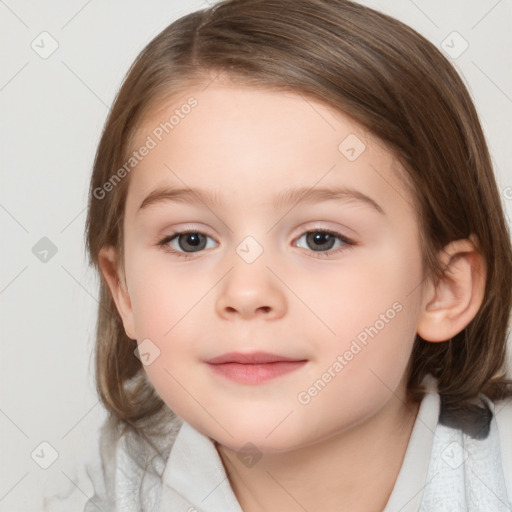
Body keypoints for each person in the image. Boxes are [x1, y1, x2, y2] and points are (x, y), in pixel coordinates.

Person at [43, 0, 512, 510]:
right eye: (190, 240)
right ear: (123, 289)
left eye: (320, 239)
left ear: (443, 287)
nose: (246, 293)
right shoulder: (103, 495)